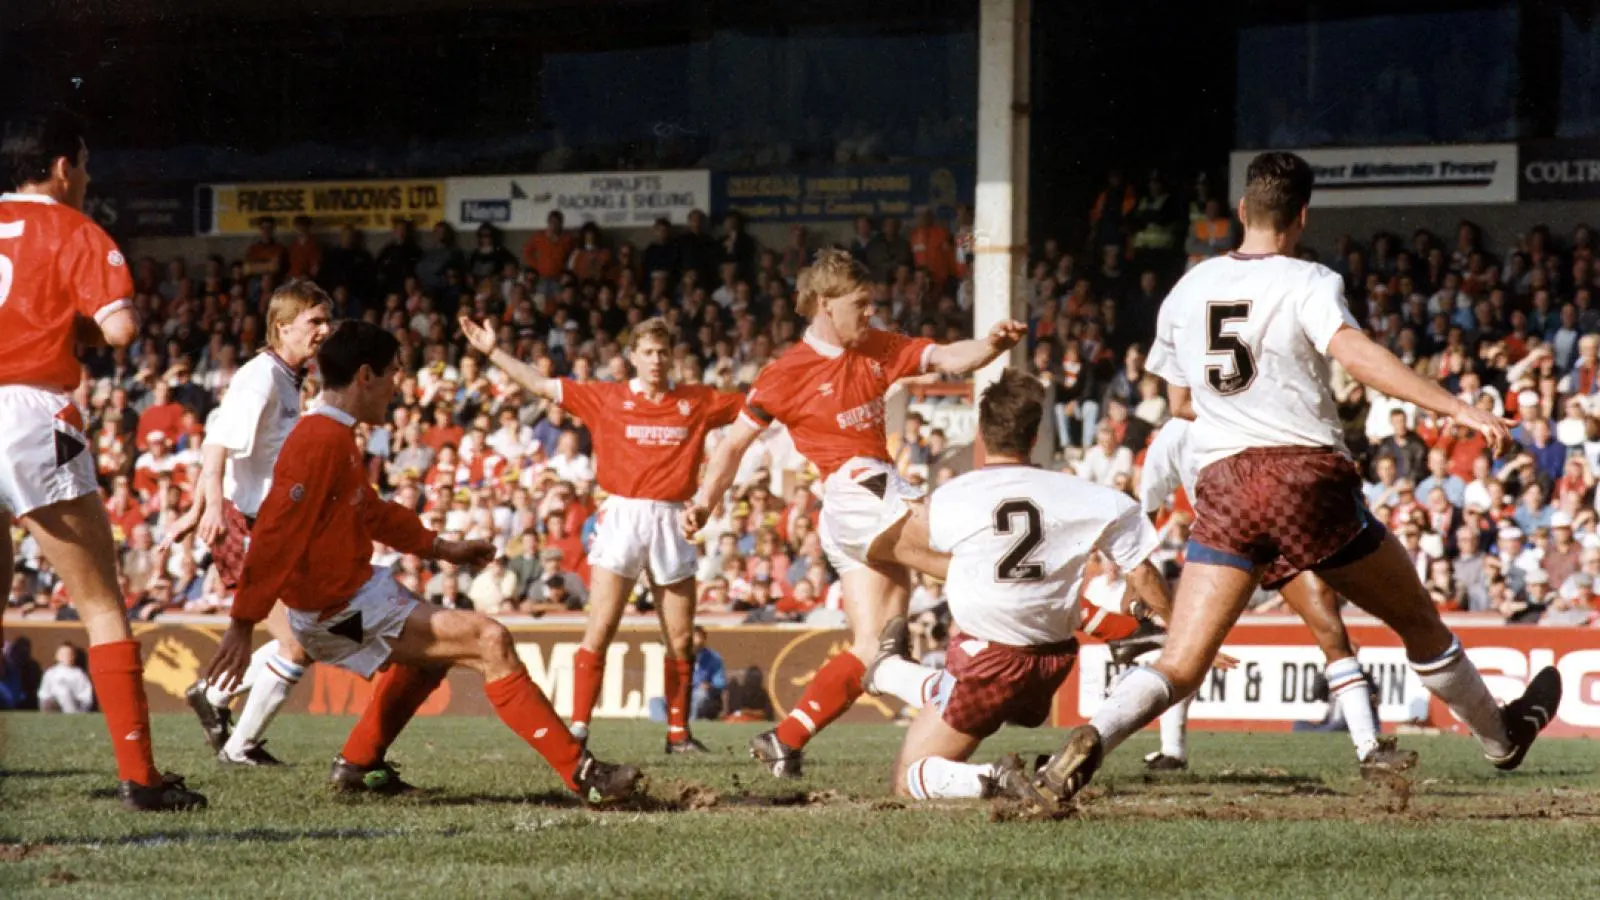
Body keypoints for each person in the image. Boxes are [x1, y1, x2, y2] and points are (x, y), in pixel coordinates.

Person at [1035, 151, 1563, 807]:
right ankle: (1500, 737)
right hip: (1301, 477)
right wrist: (1453, 405)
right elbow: (1354, 352)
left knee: (1180, 659)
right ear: (1303, 215)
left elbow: (1176, 404)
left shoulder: (1189, 289)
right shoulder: (1311, 279)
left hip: (1224, 483)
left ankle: (1092, 737)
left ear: (1241, 212)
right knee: (1418, 622)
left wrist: (1240, 412)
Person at [205, 321, 639, 803]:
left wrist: (443, 548)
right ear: (366, 376)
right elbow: (274, 534)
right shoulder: (317, 441)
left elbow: (370, 512)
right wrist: (243, 622)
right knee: (488, 639)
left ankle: (359, 764)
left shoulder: (332, 436)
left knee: (429, 658)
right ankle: (586, 776)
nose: (399, 386)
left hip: (348, 603)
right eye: (394, 373)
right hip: (339, 614)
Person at [682, 249, 1025, 778]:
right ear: (825, 304)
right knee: (974, 565)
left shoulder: (877, 347)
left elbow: (946, 357)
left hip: (862, 506)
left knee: (872, 649)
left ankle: (785, 738)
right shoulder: (784, 373)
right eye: (860, 304)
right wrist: (705, 501)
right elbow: (730, 447)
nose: (870, 313)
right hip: (857, 493)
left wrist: (992, 345)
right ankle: (1022, 664)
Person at [0, 107, 205, 810]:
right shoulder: (75, 228)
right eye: (83, 165)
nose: (85, 177)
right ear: (62, 168)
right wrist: (75, 320)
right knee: (101, 604)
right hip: (29, 409)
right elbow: (118, 329)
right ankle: (142, 778)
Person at [869, 370, 1174, 801]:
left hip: (988, 662)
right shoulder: (1087, 495)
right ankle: (885, 670)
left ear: (980, 432)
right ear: (1035, 436)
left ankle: (994, 777)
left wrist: (961, 569)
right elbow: (1142, 573)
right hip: (1051, 664)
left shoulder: (953, 497)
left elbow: (895, 547)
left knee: (909, 780)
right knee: (951, 687)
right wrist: (1175, 628)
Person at [462, 314, 742, 753]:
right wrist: (492, 352)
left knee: (682, 637)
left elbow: (760, 405)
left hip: (672, 517)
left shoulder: (696, 400)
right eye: (647, 352)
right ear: (632, 357)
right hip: (623, 515)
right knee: (601, 628)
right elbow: (540, 384)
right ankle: (578, 729)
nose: (655, 360)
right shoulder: (605, 397)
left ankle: (678, 734)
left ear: (673, 357)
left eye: (663, 352)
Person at [1137, 417, 1414, 774]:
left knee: (1331, 630)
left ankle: (1370, 750)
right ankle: (1170, 750)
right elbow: (1148, 504)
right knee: (1188, 654)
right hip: (1222, 547)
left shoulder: (1256, 407)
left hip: (1279, 535)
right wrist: (1137, 565)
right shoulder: (1176, 433)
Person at [166, 280, 332, 766]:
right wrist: (211, 508)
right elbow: (217, 445)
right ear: (282, 328)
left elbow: (235, 450)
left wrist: (198, 505)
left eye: (326, 321)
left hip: (271, 523)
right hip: (248, 524)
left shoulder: (286, 375)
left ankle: (214, 697)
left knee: (310, 636)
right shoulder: (260, 376)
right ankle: (238, 745)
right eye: (314, 322)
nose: (324, 331)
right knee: (298, 641)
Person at [38, 642, 94, 713]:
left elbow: (86, 695)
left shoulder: (79, 674)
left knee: (64, 691)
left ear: (73, 656)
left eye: (69, 654)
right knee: (61, 690)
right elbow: (44, 694)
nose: (66, 657)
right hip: (54, 704)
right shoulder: (50, 673)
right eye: (63, 654)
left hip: (76, 703)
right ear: (57, 656)